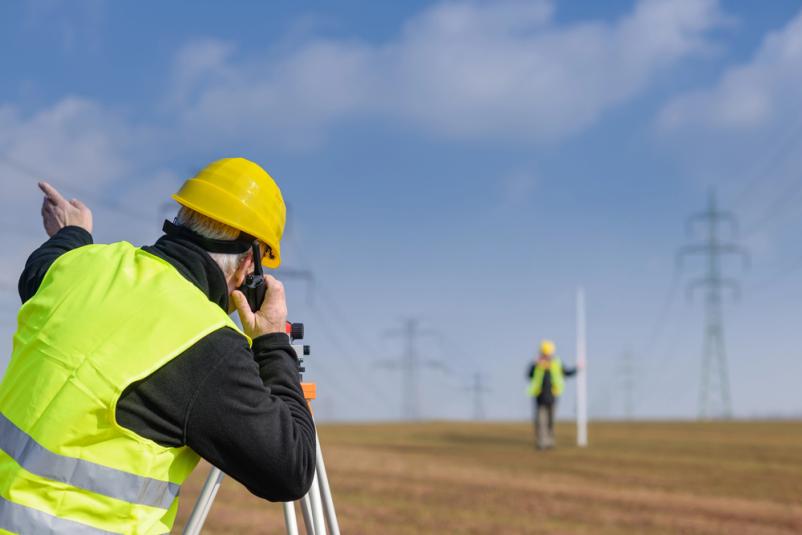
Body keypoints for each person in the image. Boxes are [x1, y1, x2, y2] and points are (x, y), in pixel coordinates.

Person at [0, 158, 316, 534]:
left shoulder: (78, 267)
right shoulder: (209, 344)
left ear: (182, 219)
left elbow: (40, 269)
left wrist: (73, 232)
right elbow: (291, 469)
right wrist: (272, 342)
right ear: (251, 262)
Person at [526, 340, 578, 450]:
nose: (547, 356)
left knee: (551, 422)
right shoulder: (536, 364)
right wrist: (536, 365)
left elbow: (566, 373)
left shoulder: (556, 363)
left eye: (548, 353)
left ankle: (550, 442)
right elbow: (529, 375)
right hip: (539, 397)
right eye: (545, 353)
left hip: (553, 397)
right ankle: (541, 443)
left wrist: (577, 368)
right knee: (540, 422)